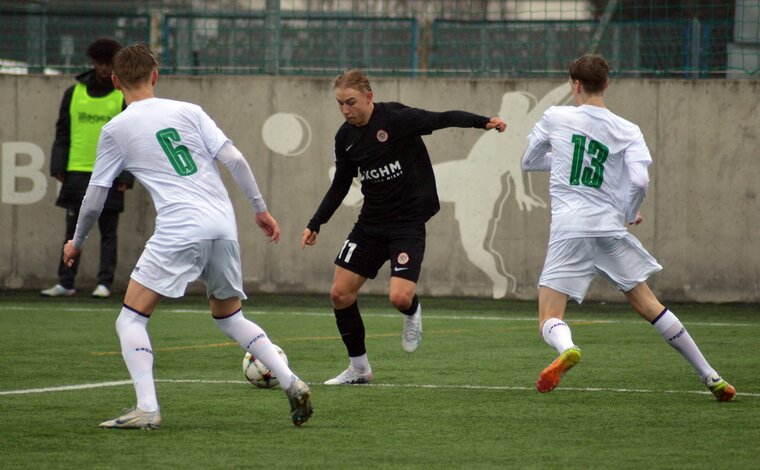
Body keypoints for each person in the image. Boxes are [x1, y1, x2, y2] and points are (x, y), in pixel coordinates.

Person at [62, 43, 313, 429]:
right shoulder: (189, 111)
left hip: (180, 227)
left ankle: (147, 409)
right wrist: (260, 209)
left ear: (115, 82)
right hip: (222, 225)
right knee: (230, 318)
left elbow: (96, 196)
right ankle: (291, 380)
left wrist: (77, 241)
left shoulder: (116, 128)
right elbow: (235, 160)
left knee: (130, 320)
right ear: (156, 76)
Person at [521, 53, 736, 401]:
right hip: (609, 227)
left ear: (575, 85)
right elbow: (638, 179)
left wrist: (562, 157)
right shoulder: (627, 129)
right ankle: (710, 375)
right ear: (606, 84)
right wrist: (629, 210)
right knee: (650, 305)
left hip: (570, 228)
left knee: (549, 314)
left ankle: (568, 347)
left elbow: (529, 161)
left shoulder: (556, 117)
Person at [301, 68, 507, 385]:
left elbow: (441, 118)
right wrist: (316, 222)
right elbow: (341, 184)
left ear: (368, 97)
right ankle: (359, 368)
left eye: (350, 102)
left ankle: (412, 312)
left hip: (406, 224)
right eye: (340, 104)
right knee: (340, 294)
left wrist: (483, 121)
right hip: (370, 224)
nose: (345, 110)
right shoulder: (345, 138)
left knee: (399, 297)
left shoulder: (395, 118)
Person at [43, 37, 134, 299]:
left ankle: (104, 283)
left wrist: (127, 175)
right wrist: (59, 165)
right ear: (93, 63)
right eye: (100, 63)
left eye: (109, 64)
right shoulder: (73, 93)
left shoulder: (123, 96)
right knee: (72, 230)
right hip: (77, 171)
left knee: (108, 231)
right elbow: (62, 132)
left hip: (112, 173)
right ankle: (66, 282)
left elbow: (132, 137)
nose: (104, 69)